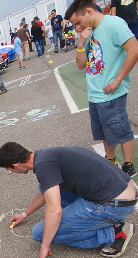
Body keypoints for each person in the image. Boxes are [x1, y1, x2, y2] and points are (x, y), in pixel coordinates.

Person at [0, 142, 137, 258]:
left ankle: (114, 233)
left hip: (114, 205)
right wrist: (24, 214)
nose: (12, 172)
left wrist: (44, 246)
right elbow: (44, 191)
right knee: (48, 189)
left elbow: (55, 211)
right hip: (122, 191)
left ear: (16, 165)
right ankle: (95, 221)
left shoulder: (44, 167)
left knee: (39, 233)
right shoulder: (45, 155)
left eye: (9, 170)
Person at [66, 0, 138, 177]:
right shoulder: (88, 32)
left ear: (89, 11)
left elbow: (134, 49)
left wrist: (118, 79)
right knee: (104, 131)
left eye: (78, 22)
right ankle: (111, 160)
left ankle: (128, 164)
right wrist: (81, 44)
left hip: (111, 92)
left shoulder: (113, 24)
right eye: (74, 25)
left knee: (121, 129)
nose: (77, 27)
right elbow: (80, 65)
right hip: (95, 93)